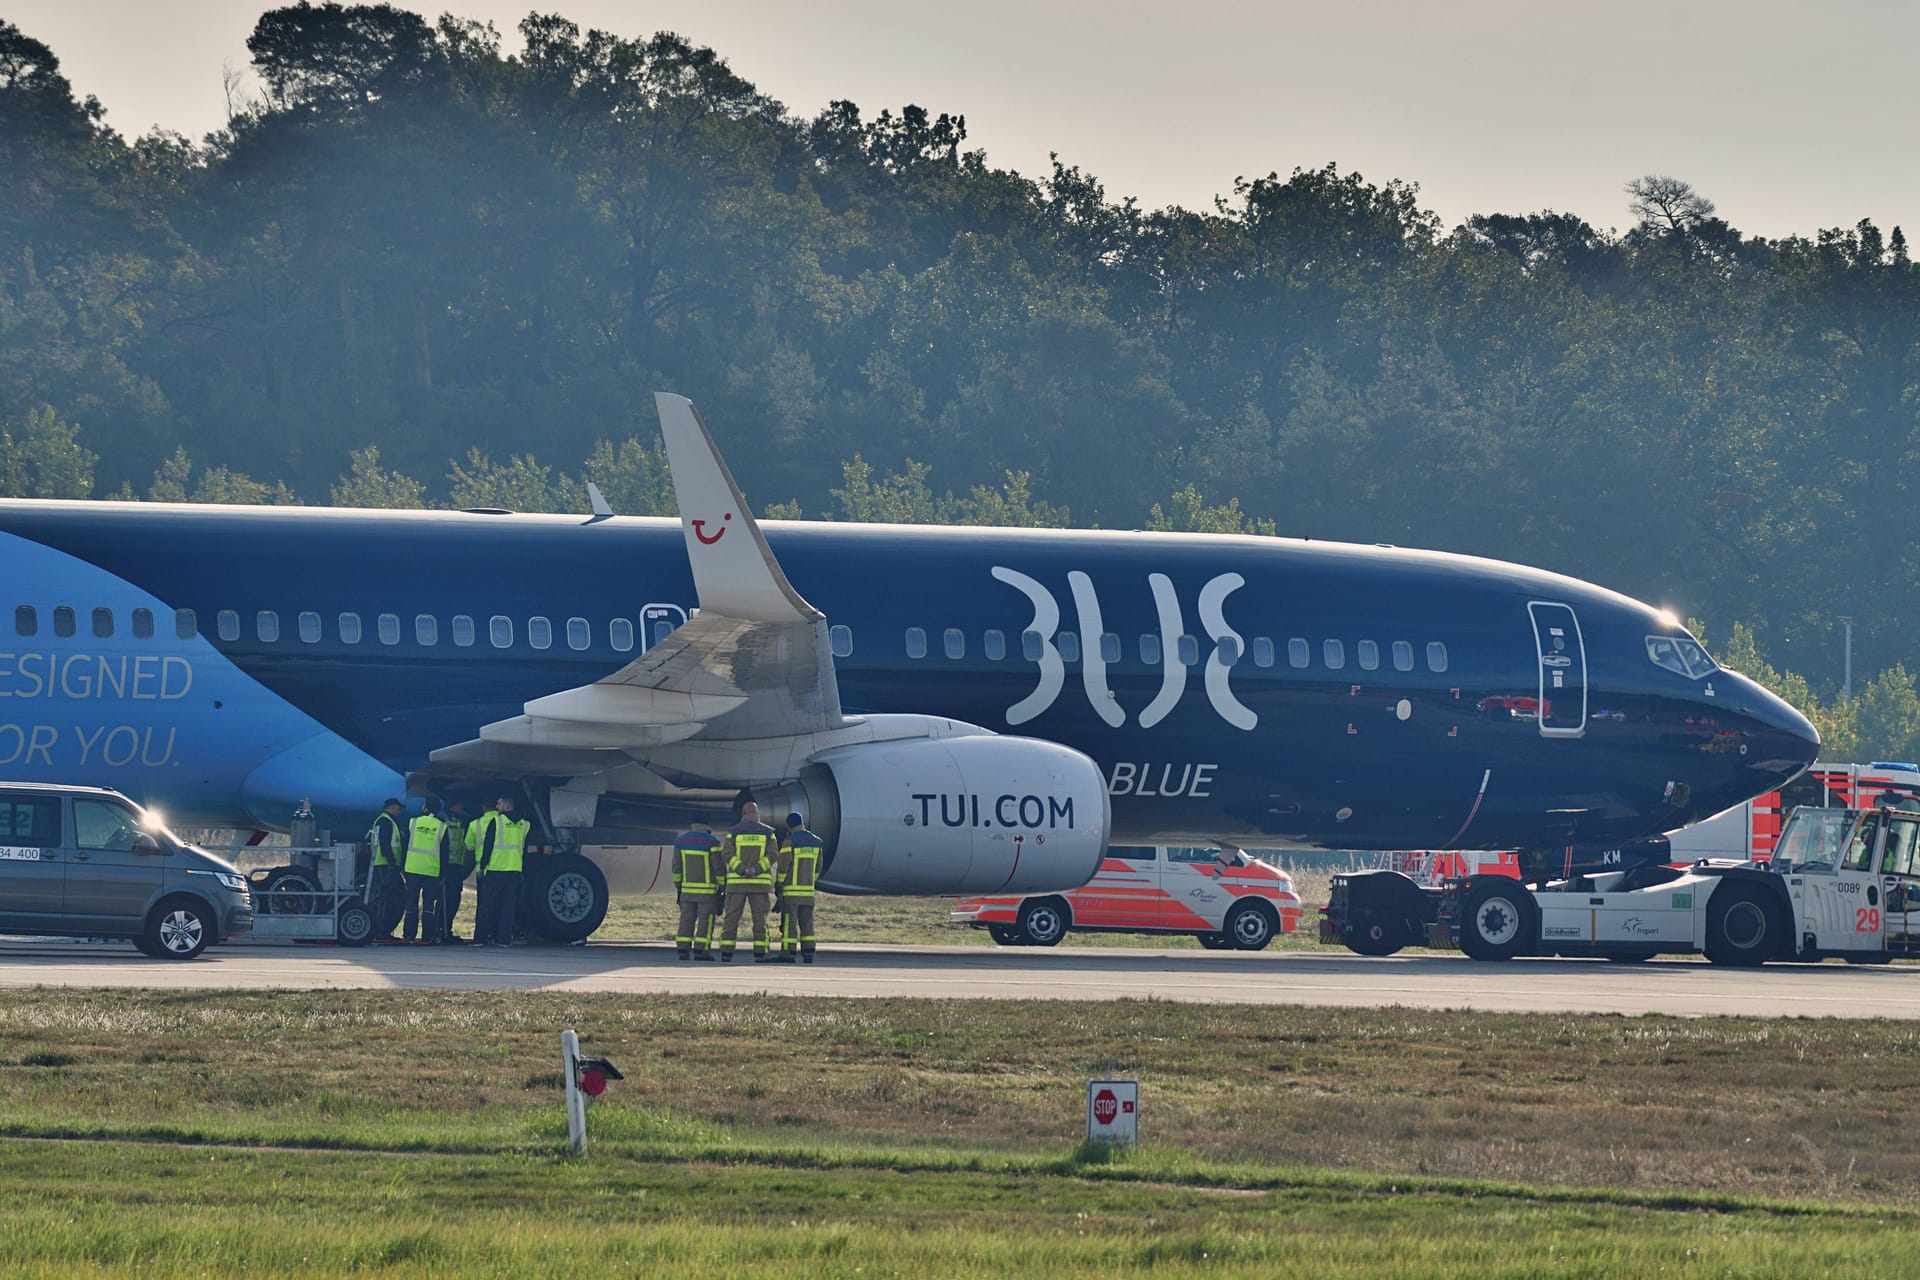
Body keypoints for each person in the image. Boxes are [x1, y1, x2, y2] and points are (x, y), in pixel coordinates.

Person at [719, 802, 777, 962]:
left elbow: (727, 854)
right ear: (757, 814)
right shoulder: (768, 833)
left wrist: (742, 869)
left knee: (731, 918)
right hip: (759, 885)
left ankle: (726, 953)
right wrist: (756, 869)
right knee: (760, 920)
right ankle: (760, 954)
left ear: (743, 813)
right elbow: (773, 855)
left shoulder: (733, 832)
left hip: (737, 884)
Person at [474, 795, 529, 948]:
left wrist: (483, 866)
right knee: (508, 907)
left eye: (499, 803)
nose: (497, 807)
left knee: (486, 905)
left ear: (506, 805)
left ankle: (480, 939)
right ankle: (503, 940)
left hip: (496, 868)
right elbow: (523, 848)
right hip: (514, 869)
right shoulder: (524, 825)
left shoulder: (497, 822)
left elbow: (488, 846)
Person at [671, 814, 724, 961]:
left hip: (687, 891)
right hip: (707, 892)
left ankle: (682, 949)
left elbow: (676, 868)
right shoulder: (712, 842)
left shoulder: (680, 841)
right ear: (707, 826)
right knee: (705, 921)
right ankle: (701, 951)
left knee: (686, 920)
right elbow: (718, 867)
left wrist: (679, 887)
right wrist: (722, 885)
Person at [774, 810, 822, 963]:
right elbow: (819, 868)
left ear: (788, 826)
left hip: (791, 892)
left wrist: (779, 885)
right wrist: (809, 882)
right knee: (807, 925)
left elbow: (783, 867)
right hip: (808, 893)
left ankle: (788, 954)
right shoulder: (816, 842)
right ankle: (808, 954)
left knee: (789, 924)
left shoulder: (789, 842)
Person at [402, 798, 449, 943]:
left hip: (412, 868)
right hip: (431, 871)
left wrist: (402, 866)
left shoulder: (413, 822)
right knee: (429, 905)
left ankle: (409, 935)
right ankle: (427, 936)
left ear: (425, 808)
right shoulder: (442, 827)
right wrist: (443, 873)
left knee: (411, 903)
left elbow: (405, 846)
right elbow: (444, 853)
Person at [365, 797, 407, 941]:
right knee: (385, 898)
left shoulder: (384, 820)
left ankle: (382, 931)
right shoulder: (386, 821)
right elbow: (385, 843)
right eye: (398, 808)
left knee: (387, 897)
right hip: (386, 865)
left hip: (385, 865)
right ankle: (381, 931)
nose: (400, 811)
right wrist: (390, 859)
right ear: (392, 807)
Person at [441, 799, 475, 942]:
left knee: (453, 899)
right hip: (447, 866)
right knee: (447, 900)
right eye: (459, 804)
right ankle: (442, 930)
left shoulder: (459, 820)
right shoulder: (444, 820)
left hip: (456, 866)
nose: (462, 806)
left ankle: (446, 930)